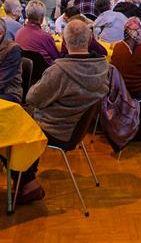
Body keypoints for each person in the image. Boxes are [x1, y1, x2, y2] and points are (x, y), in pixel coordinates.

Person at [19, 20, 110, 204]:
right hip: (78, 129)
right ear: (89, 40)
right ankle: (27, 177)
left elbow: (32, 98)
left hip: (56, 129)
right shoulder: (103, 67)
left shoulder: (59, 71)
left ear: (65, 42)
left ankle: (27, 182)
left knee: (12, 127)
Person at [14, 0, 61, 66]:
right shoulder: (45, 37)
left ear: (27, 15)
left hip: (25, 69)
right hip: (45, 69)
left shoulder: (18, 32)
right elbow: (57, 57)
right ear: (42, 18)